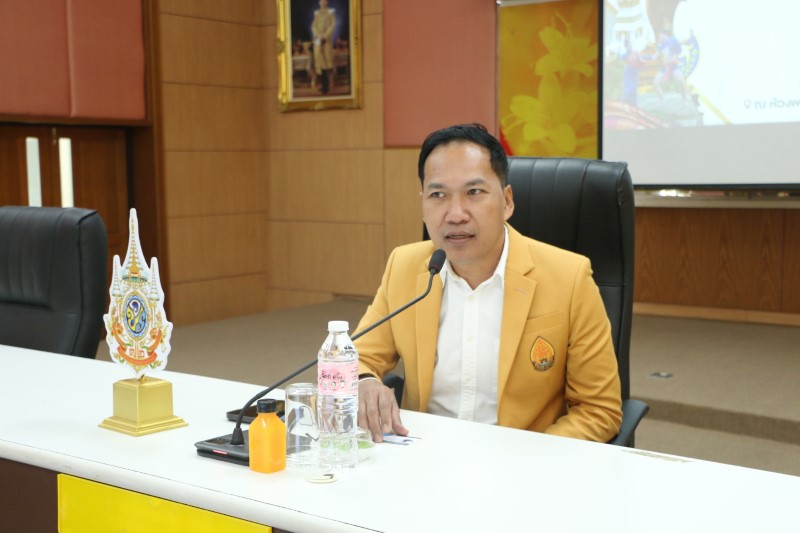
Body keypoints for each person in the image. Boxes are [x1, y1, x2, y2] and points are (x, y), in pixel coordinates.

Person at [355, 124, 622, 443]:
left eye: (474, 193)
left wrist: (530, 460)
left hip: (522, 458)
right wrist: (363, 381)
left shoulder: (569, 277)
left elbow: (598, 409)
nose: (455, 215)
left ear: (507, 201)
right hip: (424, 455)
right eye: (438, 195)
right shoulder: (404, 266)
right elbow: (354, 356)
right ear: (423, 203)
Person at [311, 0, 335, 94]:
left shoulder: (330, 13)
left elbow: (332, 26)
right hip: (318, 41)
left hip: (326, 41)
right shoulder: (317, 14)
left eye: (324, 1)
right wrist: (318, 35)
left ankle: (327, 86)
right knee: (319, 63)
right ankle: (322, 85)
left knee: (326, 63)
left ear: (327, 2)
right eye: (321, 1)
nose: (322, 3)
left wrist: (324, 36)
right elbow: (313, 26)